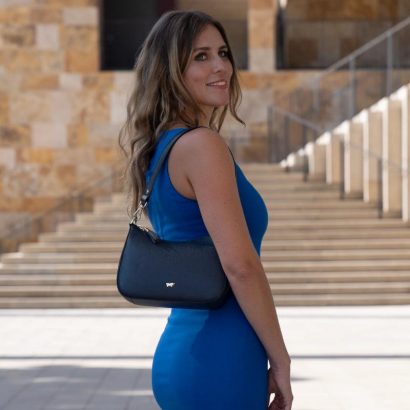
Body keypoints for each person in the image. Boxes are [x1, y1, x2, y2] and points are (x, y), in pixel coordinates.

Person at [118, 10, 293, 410]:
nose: (220, 67)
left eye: (223, 53)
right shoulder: (202, 146)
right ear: (170, 70)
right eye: (200, 56)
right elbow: (240, 266)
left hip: (186, 353)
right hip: (221, 357)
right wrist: (281, 359)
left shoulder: (163, 147)